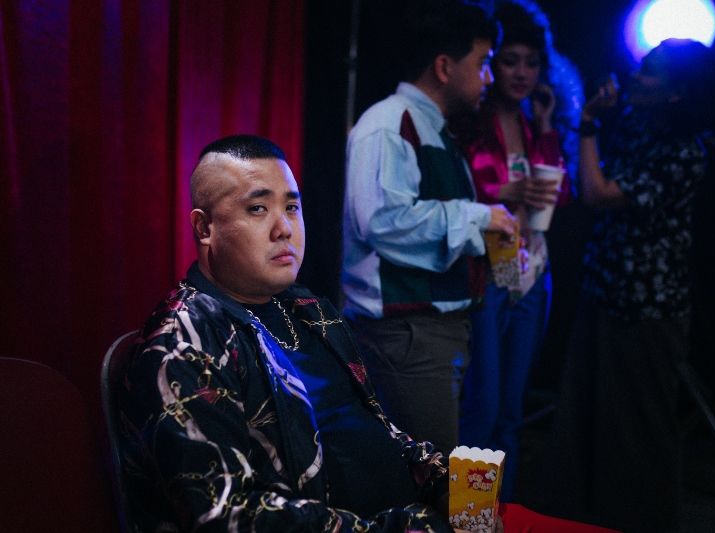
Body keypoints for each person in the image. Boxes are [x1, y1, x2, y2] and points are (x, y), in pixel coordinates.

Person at [118, 135, 456, 532]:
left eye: (291, 207)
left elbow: (379, 433)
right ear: (205, 227)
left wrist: (443, 483)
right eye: (258, 208)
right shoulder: (183, 340)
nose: (284, 229)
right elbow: (226, 514)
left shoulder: (310, 309)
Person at [540, 39, 715, 532]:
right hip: (604, 291)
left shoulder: (684, 152)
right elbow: (592, 178)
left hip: (647, 311)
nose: (635, 76)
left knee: (638, 430)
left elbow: (599, 193)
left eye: (648, 71)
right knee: (589, 421)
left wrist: (587, 123)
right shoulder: (641, 125)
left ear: (675, 91)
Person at [341, 0, 517, 454]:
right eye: (482, 63)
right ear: (444, 66)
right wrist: (480, 217)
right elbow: (383, 222)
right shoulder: (389, 123)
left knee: (455, 464)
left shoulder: (434, 128)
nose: (488, 78)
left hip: (436, 329)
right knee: (432, 475)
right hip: (407, 334)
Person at [453, 0, 573, 502]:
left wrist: (545, 128)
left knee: (511, 410)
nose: (522, 73)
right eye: (510, 61)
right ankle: (470, 518)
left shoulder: (532, 124)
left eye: (531, 63)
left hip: (531, 271)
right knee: (482, 406)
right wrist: (503, 192)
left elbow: (557, 197)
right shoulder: (470, 122)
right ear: (492, 65)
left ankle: (499, 516)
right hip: (487, 269)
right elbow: (461, 195)